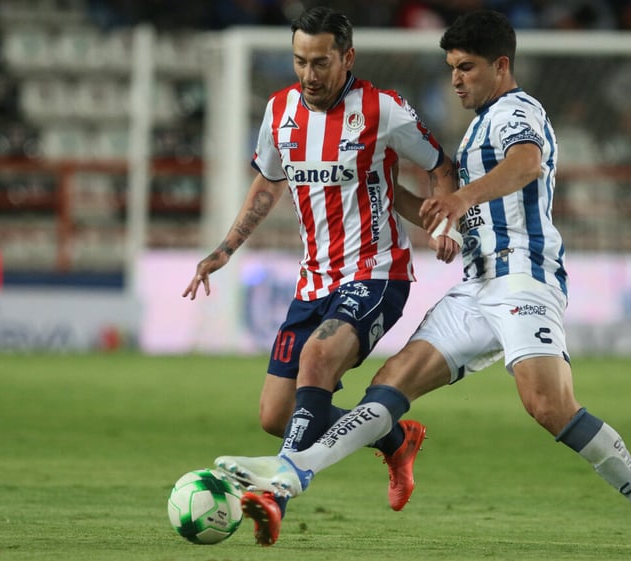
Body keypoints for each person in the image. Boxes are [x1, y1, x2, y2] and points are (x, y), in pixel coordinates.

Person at [214, 9, 631, 557]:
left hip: (523, 280)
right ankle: (290, 477)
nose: (456, 79)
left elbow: (525, 165)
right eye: (451, 68)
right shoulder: (477, 128)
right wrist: (375, 187)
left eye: (466, 67)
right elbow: (444, 206)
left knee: (549, 406)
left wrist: (462, 197)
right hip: (475, 285)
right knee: (388, 388)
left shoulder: (520, 111)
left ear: (501, 65)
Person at [182, 6, 459, 546]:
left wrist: (444, 218)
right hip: (314, 282)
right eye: (300, 61)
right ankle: (393, 438)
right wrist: (224, 249)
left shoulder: (385, 110)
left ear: (347, 58)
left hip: (378, 273)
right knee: (274, 414)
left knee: (317, 357)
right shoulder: (280, 111)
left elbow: (440, 166)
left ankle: (277, 491)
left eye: (321, 62)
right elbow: (267, 186)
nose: (309, 74)